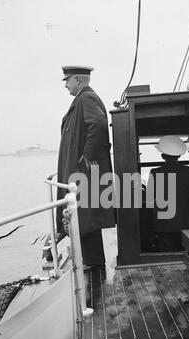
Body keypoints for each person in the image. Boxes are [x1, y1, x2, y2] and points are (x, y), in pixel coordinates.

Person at [56, 65, 115, 271]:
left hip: (83, 171)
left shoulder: (86, 98)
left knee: (85, 214)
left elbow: (97, 122)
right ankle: (93, 260)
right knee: (85, 214)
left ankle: (94, 261)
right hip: (81, 171)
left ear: (78, 80)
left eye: (67, 80)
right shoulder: (82, 98)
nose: (65, 85)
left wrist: (88, 156)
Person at [146, 135, 189, 252]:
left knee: (167, 256)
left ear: (163, 156)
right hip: (187, 223)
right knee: (188, 255)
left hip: (164, 224)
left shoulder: (155, 172)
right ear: (179, 155)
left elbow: (149, 199)